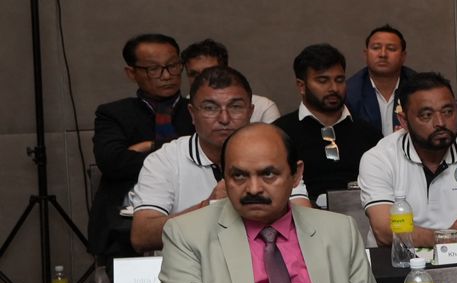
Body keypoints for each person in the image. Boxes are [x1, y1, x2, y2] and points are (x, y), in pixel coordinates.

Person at [154, 125, 387, 283]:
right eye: (239, 176)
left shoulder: (338, 230)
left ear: (296, 175)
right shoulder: (188, 234)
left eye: (268, 174)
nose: (253, 188)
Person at [127, 67, 305, 253]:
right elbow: (142, 236)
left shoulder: (275, 152)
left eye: (235, 107)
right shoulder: (165, 159)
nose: (224, 118)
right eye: (210, 108)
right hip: (192, 266)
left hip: (265, 262)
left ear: (250, 111)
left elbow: (304, 227)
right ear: (192, 114)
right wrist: (210, 207)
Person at [358, 71, 457, 248]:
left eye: (448, 111)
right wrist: (446, 237)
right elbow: (384, 231)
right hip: (397, 261)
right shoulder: (379, 158)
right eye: (426, 115)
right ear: (404, 121)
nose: (441, 122)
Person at [90, 32, 190, 257]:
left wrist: (144, 147)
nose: (167, 75)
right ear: (131, 73)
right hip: (125, 223)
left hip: (190, 214)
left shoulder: (198, 111)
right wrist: (166, 149)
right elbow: (113, 162)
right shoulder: (114, 113)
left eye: (173, 66)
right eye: (154, 69)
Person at [277, 42, 374, 201]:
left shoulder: (368, 133)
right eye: (323, 81)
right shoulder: (280, 133)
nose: (334, 88)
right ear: (301, 86)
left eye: (339, 80)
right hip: (302, 214)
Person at [180, 39, 281, 123]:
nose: (201, 79)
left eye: (209, 72)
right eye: (194, 74)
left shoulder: (263, 107)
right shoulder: (181, 109)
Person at [345, 24, 413, 144]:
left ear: (403, 56)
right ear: (366, 54)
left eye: (391, 49)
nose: (383, 54)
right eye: (376, 48)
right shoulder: (349, 92)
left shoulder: (419, 88)